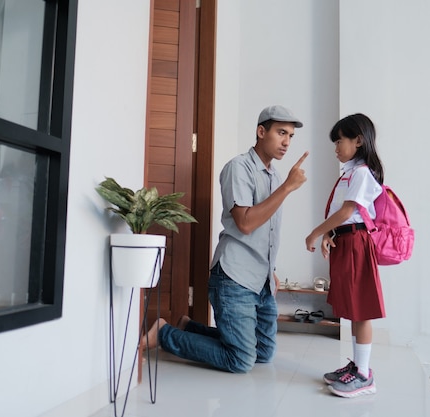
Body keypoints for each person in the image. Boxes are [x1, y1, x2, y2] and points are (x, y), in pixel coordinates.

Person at [146, 105, 309, 373]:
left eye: (291, 136)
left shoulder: (275, 176)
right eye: (281, 133)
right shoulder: (238, 168)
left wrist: (272, 270)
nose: (286, 142)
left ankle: (189, 327)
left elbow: (267, 231)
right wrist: (287, 188)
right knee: (242, 360)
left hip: (262, 280)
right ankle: (164, 334)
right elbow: (245, 223)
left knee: (263, 353)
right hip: (234, 276)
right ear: (260, 131)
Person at [304, 113, 385, 398]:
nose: (336, 147)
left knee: (361, 310)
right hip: (347, 242)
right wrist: (330, 235)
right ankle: (357, 366)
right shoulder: (352, 172)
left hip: (358, 244)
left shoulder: (362, 172)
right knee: (353, 308)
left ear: (359, 140)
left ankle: (363, 375)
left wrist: (315, 233)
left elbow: (347, 212)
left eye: (340, 140)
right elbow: (343, 217)